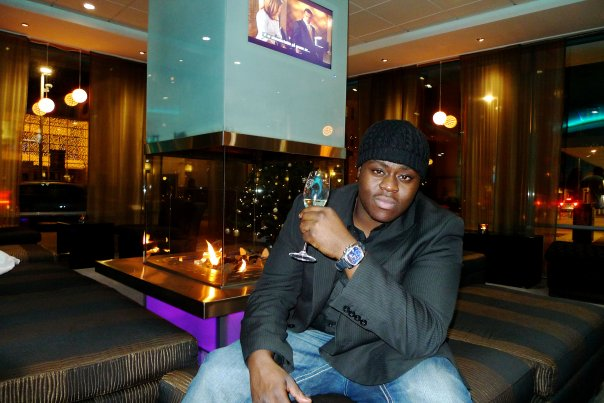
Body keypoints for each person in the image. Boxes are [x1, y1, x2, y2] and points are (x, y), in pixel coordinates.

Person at [182, 120, 471, 402]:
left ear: (419, 183)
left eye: (405, 177)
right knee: (217, 375)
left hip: (395, 355)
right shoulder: (313, 206)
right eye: (378, 170)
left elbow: (424, 335)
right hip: (308, 340)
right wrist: (260, 357)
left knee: (441, 396)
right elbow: (273, 290)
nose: (389, 186)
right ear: (359, 170)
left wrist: (348, 251)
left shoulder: (438, 228)